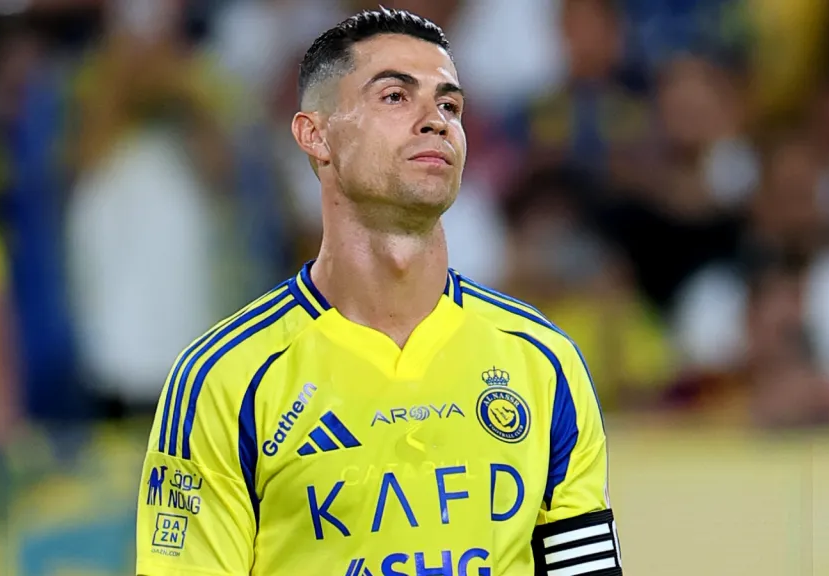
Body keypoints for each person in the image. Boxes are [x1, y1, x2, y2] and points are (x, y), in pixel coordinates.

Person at [135, 8, 621, 576]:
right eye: (395, 96)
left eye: (450, 105)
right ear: (314, 135)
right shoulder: (227, 379)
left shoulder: (542, 360)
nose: (436, 120)